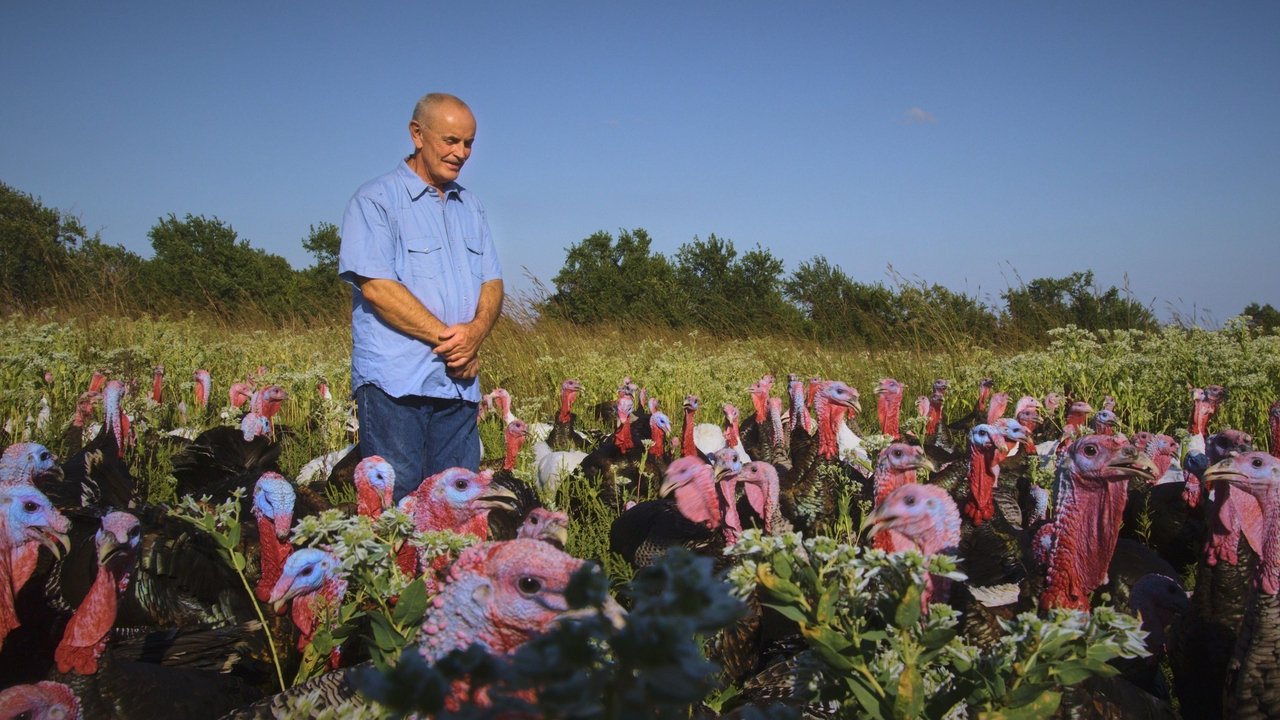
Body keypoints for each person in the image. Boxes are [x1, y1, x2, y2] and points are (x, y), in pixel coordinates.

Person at [338, 93, 503, 502]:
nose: (461, 152)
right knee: (399, 500)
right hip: (397, 384)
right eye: (451, 140)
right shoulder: (376, 200)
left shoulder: (472, 207)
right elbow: (377, 286)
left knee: (457, 504)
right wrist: (454, 341)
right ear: (417, 134)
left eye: (468, 143)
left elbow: (493, 282)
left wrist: (476, 333)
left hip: (458, 384)